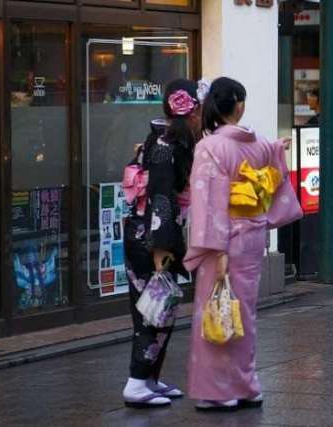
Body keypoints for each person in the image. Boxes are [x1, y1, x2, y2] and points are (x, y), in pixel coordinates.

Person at [183, 77, 302, 410]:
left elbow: (209, 204)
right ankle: (247, 385)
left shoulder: (211, 147)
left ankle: (220, 391)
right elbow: (273, 164)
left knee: (218, 308)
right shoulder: (258, 143)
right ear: (240, 106)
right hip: (252, 235)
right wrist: (278, 149)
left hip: (223, 240)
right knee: (244, 311)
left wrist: (216, 250)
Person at [122, 79, 202, 408]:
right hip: (152, 239)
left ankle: (150, 378)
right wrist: (161, 249)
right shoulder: (167, 145)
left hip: (149, 234)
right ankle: (137, 382)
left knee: (161, 310)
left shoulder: (165, 139)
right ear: (192, 110)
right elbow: (161, 199)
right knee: (153, 312)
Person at [304, 88, 333, 266]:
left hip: (317, 173)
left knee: (328, 211)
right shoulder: (327, 120)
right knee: (329, 210)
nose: (308, 99)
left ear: (318, 99)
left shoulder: (316, 122)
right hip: (323, 173)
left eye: (311, 96)